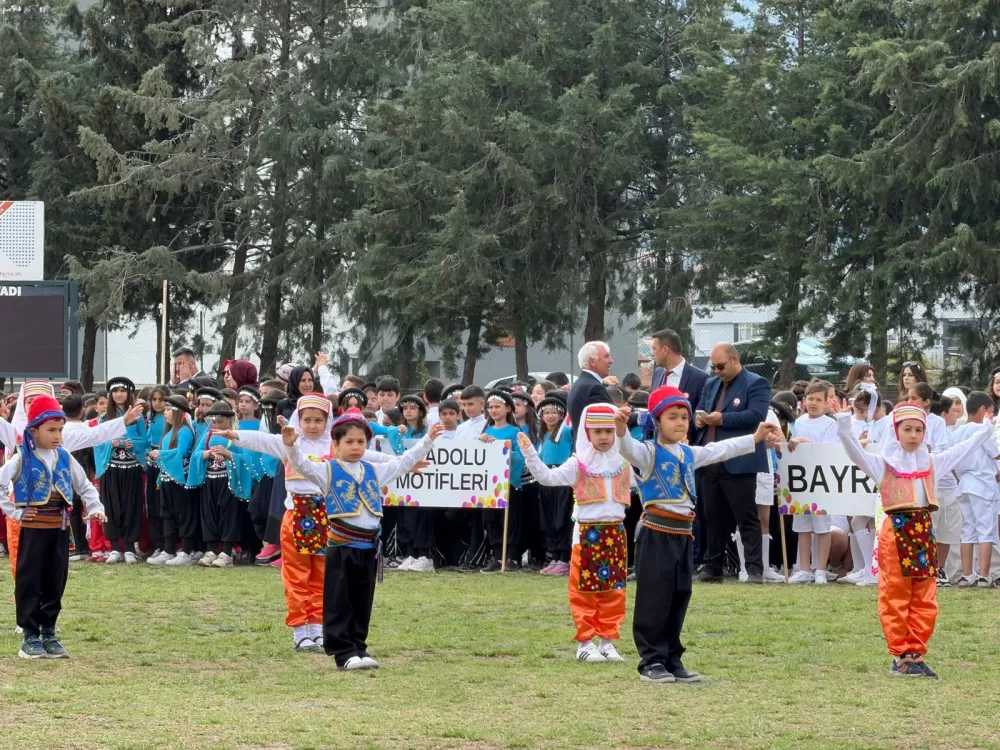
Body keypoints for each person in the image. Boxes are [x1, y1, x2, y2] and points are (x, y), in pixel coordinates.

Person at [615, 386, 780, 683]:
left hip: (683, 534)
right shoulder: (647, 453)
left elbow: (721, 450)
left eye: (683, 417)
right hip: (656, 533)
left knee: (680, 595)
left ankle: (671, 658)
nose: (679, 422)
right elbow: (627, 447)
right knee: (654, 596)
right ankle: (650, 660)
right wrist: (620, 428)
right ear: (656, 420)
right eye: (671, 417)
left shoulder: (690, 453)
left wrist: (755, 438)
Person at [837, 402, 995, 678]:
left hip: (922, 533)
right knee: (896, 595)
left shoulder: (931, 464)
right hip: (895, 533)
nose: (913, 435)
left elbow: (960, 451)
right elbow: (855, 453)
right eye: (907, 429)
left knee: (925, 596)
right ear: (896, 432)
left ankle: (916, 652)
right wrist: (843, 424)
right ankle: (900, 655)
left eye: (919, 430)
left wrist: (983, 433)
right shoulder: (884, 464)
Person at [283, 411, 445, 670]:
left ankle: (359, 646)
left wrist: (427, 440)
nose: (356, 447)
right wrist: (291, 446)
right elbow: (301, 465)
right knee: (340, 600)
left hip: (368, 547)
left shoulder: (374, 471)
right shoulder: (327, 471)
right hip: (341, 545)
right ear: (335, 444)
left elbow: (403, 462)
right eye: (349, 442)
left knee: (362, 599)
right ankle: (343, 652)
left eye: (361, 442)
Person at [519, 404, 631, 663]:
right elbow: (547, 478)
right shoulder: (578, 463)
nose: (603, 437)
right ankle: (584, 642)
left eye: (608, 431)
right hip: (587, 534)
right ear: (586, 433)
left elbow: (644, 479)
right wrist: (530, 454)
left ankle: (607, 640)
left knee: (613, 590)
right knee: (585, 590)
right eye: (597, 431)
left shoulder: (623, 462)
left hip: (615, 533)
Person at [0, 395, 106, 659]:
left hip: (59, 530)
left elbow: (84, 485)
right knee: (30, 580)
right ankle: (29, 636)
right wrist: (15, 511)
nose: (58, 435)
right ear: (33, 430)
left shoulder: (65, 457)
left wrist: (96, 508)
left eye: (60, 429)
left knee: (55, 580)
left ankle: (48, 631)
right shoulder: (21, 458)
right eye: (51, 430)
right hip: (33, 530)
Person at [693, 344, 771, 583]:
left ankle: (755, 569)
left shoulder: (756, 383)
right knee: (711, 517)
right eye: (714, 367)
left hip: (740, 461)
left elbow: (756, 416)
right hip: (710, 459)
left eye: (720, 366)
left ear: (734, 360)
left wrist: (721, 420)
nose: (717, 371)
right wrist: (699, 419)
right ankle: (713, 565)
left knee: (746, 516)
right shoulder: (711, 383)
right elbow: (703, 409)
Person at [187, 401, 253, 568]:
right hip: (210, 481)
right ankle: (210, 550)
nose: (216, 425)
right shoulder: (208, 435)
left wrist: (228, 454)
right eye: (214, 421)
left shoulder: (237, 435)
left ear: (230, 420)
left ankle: (226, 551)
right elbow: (196, 455)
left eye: (220, 421)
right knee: (209, 514)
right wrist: (208, 453)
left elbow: (246, 460)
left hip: (228, 482)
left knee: (228, 515)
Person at [785, 381, 839, 584]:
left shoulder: (829, 424)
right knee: (803, 526)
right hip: (801, 481)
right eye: (811, 399)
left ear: (826, 402)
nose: (814, 403)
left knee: (822, 526)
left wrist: (802, 443)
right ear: (804, 400)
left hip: (821, 481)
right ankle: (804, 568)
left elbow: (826, 450)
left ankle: (821, 569)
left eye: (818, 399)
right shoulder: (799, 423)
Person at [94, 377, 148, 565]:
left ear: (129, 393)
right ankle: (115, 547)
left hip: (131, 468)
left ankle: (130, 547)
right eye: (115, 391)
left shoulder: (138, 417)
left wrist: (133, 443)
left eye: (122, 391)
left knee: (132, 507)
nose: (118, 394)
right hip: (112, 469)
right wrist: (111, 443)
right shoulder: (104, 418)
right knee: (112, 507)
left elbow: (145, 441)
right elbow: (97, 442)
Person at [951, 391, 998, 588]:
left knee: (968, 529)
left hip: (964, 484)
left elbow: (952, 460)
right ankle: (984, 575)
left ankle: (967, 573)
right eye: (991, 413)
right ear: (982, 410)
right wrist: (989, 428)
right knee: (985, 529)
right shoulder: (982, 430)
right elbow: (996, 453)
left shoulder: (957, 432)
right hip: (982, 483)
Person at [479, 390, 527, 572]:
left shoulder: (515, 431)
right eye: (490, 407)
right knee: (492, 520)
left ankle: (512, 556)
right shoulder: (486, 431)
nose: (493, 410)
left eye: (497, 407)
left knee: (511, 520)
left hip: (507, 484)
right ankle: (497, 555)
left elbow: (521, 457)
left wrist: (502, 449)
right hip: (489, 483)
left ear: (508, 408)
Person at [153, 396, 198, 566]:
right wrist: (159, 478)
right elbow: (164, 461)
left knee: (183, 514)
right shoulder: (168, 434)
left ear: (178, 411)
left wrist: (160, 455)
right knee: (167, 515)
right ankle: (169, 549)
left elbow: (182, 453)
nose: (164, 413)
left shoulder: (184, 431)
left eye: (168, 409)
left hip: (180, 481)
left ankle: (186, 551)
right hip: (166, 481)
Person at [395, 394, 435, 573]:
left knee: (421, 517)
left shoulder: (427, 432)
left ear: (420, 412)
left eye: (413, 408)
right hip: (404, 482)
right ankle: (410, 553)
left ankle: (424, 556)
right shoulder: (398, 432)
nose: (408, 411)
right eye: (405, 408)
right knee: (405, 517)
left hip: (424, 481)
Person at [646, 329, 709, 442]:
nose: (652, 353)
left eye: (654, 349)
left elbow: (700, 414)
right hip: (658, 444)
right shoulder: (658, 373)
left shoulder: (700, 378)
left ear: (665, 350)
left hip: (685, 445)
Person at [535, 393, 574, 575]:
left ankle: (565, 558)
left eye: (554, 412)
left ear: (561, 415)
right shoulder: (543, 435)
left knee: (562, 519)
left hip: (563, 479)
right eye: (546, 413)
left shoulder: (566, 432)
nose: (550, 416)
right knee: (549, 520)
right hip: (546, 479)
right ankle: (555, 556)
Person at [568, 342, 614, 436]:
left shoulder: (580, 384)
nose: (611, 361)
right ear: (592, 361)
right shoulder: (594, 388)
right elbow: (609, 421)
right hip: (594, 448)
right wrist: (636, 417)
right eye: (606, 356)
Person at [145, 385, 169, 559]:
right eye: (154, 399)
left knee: (164, 504)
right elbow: (147, 438)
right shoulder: (149, 417)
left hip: (166, 460)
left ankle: (169, 545)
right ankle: (158, 545)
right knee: (152, 504)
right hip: (152, 461)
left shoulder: (172, 417)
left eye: (161, 399)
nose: (158, 403)